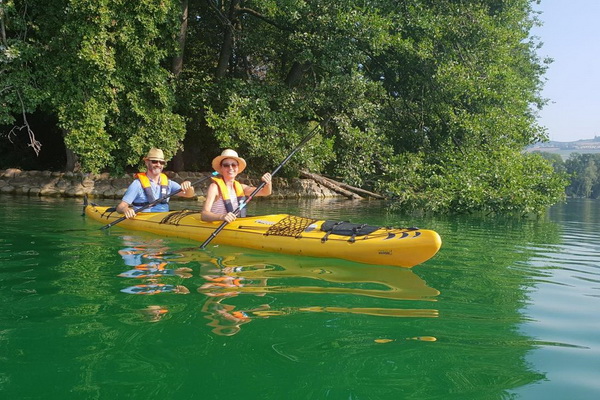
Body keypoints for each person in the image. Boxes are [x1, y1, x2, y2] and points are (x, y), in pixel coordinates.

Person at [116, 148, 195, 219]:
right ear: (147, 163)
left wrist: (189, 187)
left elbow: (189, 195)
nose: (158, 164)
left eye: (161, 162)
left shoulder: (169, 183)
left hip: (164, 218)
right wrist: (126, 209)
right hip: (143, 219)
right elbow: (120, 207)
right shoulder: (137, 184)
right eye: (154, 161)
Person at [201, 149, 272, 222]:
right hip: (217, 226)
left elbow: (265, 192)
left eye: (234, 165)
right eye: (226, 165)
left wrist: (268, 182)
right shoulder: (214, 187)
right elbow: (204, 214)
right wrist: (222, 217)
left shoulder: (242, 187)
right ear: (221, 168)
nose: (230, 168)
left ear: (237, 168)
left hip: (235, 227)